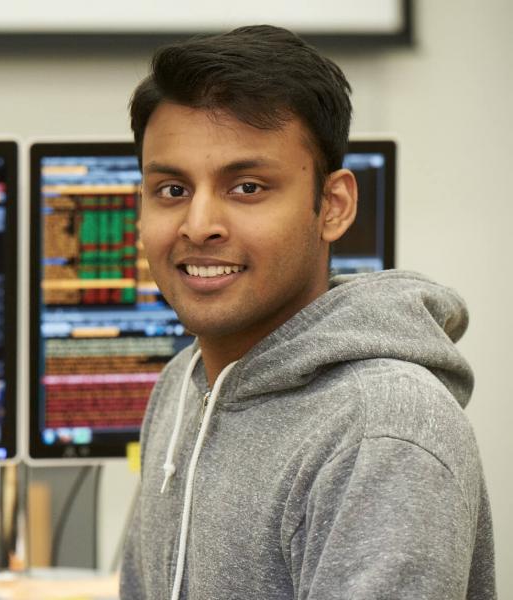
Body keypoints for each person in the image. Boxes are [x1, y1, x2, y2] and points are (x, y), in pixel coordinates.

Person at [120, 25, 496, 600]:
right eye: (171, 190)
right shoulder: (182, 384)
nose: (198, 225)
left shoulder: (383, 430)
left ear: (334, 206)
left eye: (247, 187)